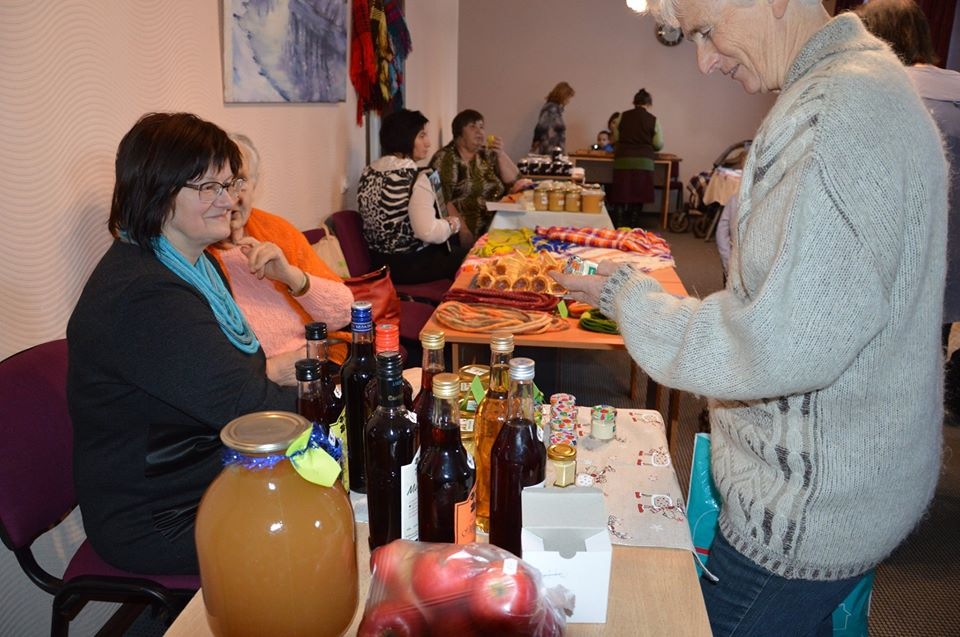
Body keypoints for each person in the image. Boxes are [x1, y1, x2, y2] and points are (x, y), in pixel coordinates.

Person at [552, 2, 947, 635]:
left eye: (706, 30)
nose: (705, 61)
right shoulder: (862, 85)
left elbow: (782, 345)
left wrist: (627, 295)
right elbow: (836, 288)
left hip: (802, 521)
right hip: (844, 489)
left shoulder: (835, 114)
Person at [67, 112, 298, 575]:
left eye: (230, 183)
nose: (229, 200)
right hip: (160, 514)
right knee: (330, 514)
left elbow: (240, 373)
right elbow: (249, 411)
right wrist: (329, 387)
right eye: (208, 187)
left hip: (206, 470)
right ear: (157, 191)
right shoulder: (142, 295)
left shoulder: (194, 263)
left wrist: (303, 372)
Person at [853, 0, 960, 424]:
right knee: (930, 345)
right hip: (952, 250)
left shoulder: (879, 89)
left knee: (881, 358)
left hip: (896, 250)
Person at [209, 133, 353, 374]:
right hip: (261, 385)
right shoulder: (197, 256)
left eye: (240, 180)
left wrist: (291, 276)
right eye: (219, 184)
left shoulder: (276, 230)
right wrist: (270, 371)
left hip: (321, 365)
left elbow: (344, 313)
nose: (231, 196)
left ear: (255, 184)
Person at [357, 109, 469, 283]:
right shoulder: (418, 177)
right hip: (409, 266)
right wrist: (453, 223)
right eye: (422, 136)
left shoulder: (368, 172)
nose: (428, 143)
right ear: (405, 138)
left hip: (377, 264)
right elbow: (428, 232)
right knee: (470, 257)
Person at [430, 109, 532, 239]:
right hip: (470, 228)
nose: (480, 132)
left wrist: (501, 154)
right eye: (473, 127)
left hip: (498, 222)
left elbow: (517, 180)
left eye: (482, 127)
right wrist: (464, 230)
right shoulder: (446, 158)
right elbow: (443, 200)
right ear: (459, 133)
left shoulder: (486, 154)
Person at [608, 89, 664, 226]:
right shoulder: (654, 120)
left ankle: (619, 223)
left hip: (623, 159)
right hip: (644, 162)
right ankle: (633, 223)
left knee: (621, 193)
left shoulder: (622, 116)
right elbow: (658, 144)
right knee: (639, 194)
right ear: (648, 103)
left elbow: (616, 138)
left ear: (634, 102)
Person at [530, 81, 575, 155]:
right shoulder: (551, 109)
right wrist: (535, 143)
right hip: (550, 149)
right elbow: (541, 127)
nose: (568, 101)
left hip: (554, 149)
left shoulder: (556, 109)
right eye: (568, 98)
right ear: (562, 95)